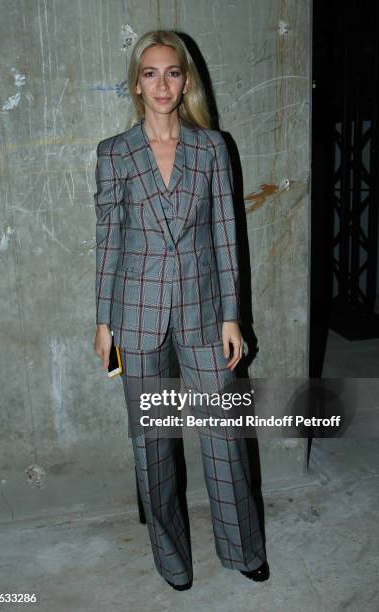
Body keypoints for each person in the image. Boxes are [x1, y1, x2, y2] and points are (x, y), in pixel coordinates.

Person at [93, 29, 269, 590]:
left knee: (223, 436)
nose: (162, 83)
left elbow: (225, 236)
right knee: (153, 444)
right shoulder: (114, 154)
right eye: (150, 73)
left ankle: (242, 549)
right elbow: (108, 243)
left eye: (172, 72)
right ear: (137, 84)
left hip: (203, 312)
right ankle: (171, 559)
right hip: (136, 318)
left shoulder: (213, 148)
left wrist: (231, 314)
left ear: (185, 81)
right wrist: (104, 323)